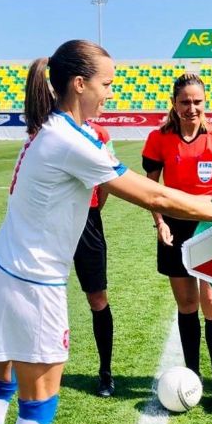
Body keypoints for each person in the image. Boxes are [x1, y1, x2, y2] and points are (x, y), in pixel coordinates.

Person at [0, 40, 212, 424]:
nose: (110, 93)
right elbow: (154, 195)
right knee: (38, 406)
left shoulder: (57, 128)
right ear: (79, 83)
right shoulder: (70, 140)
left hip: (2, 267)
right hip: (33, 282)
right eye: (106, 84)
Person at [142, 73, 212, 410]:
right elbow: (151, 189)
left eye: (197, 101)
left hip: (211, 228)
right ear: (174, 103)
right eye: (184, 102)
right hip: (174, 229)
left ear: (205, 102)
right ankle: (193, 374)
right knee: (186, 304)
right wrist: (159, 223)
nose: (191, 108)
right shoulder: (158, 139)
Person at [73, 121, 116, 397]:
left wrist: (93, 209)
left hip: (87, 220)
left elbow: (108, 179)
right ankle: (28, 366)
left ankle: (105, 373)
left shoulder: (100, 133)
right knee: (38, 292)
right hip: (52, 219)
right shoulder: (48, 126)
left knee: (97, 297)